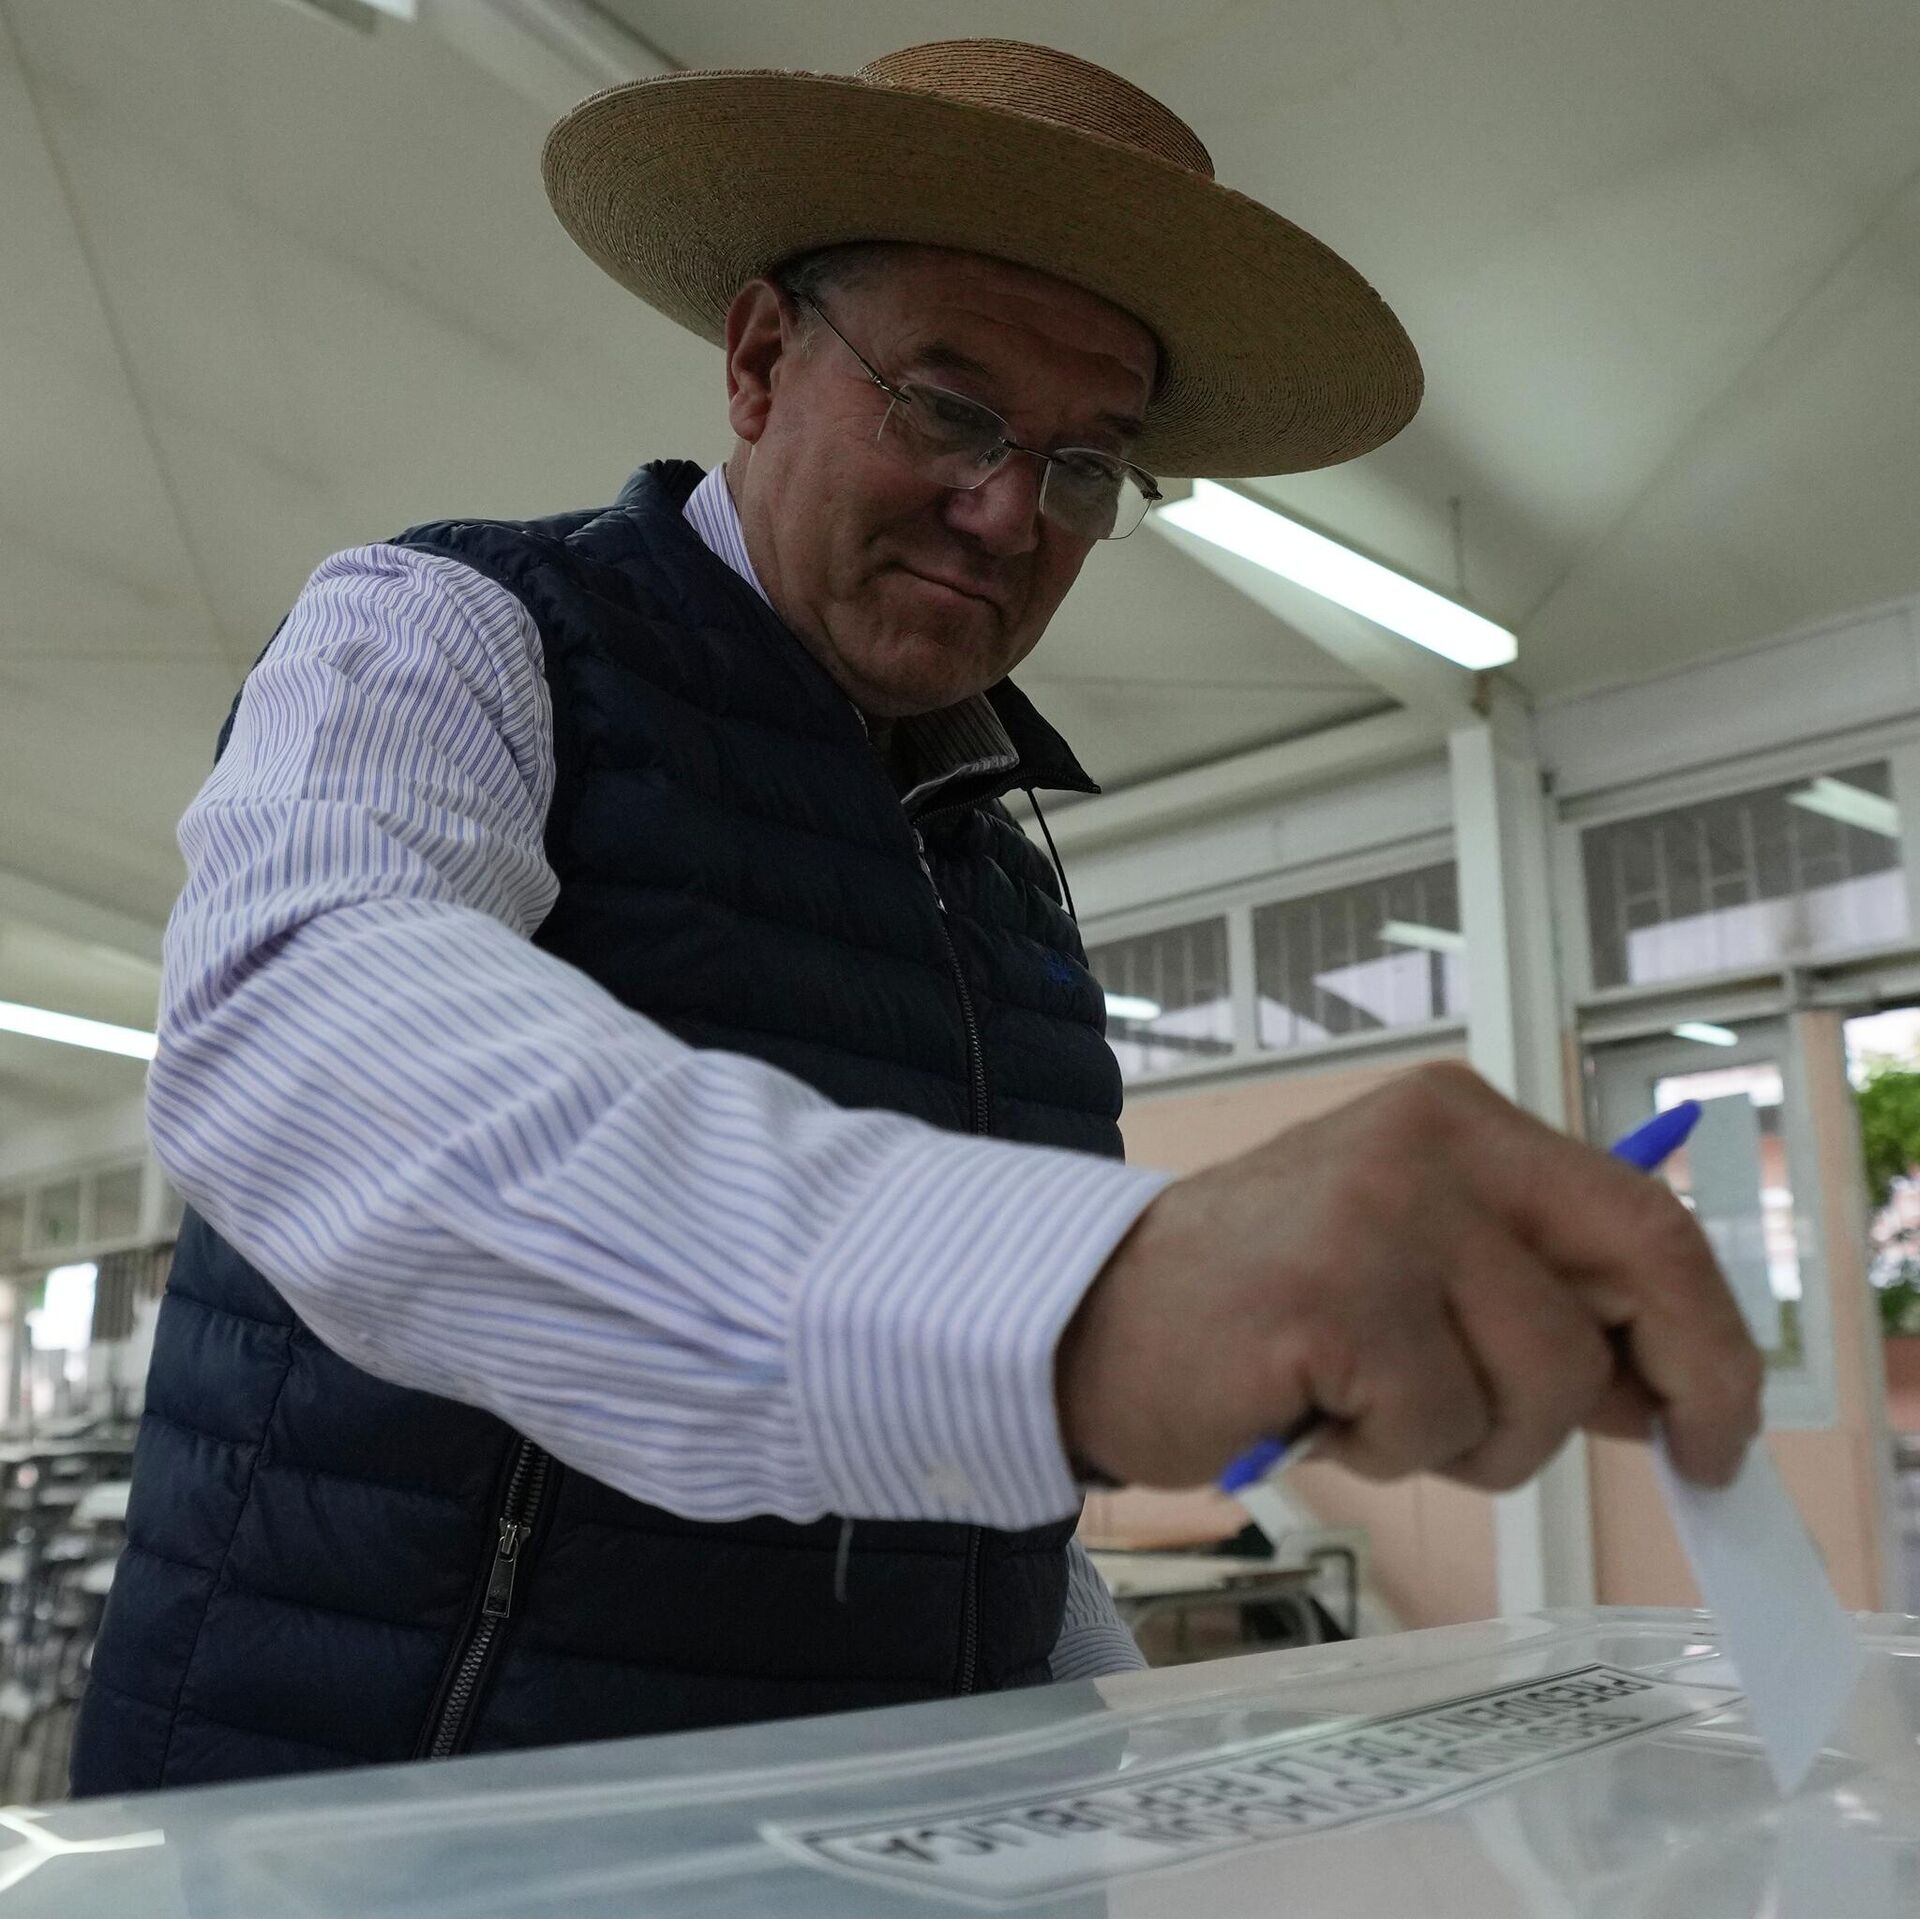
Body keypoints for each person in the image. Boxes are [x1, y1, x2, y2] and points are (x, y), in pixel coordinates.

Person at [72, 39, 1760, 1795]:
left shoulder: (1003, 884)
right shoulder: (454, 630)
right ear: (756, 360)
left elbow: (979, 1519)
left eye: (1088, 463)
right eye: (951, 410)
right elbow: (312, 1050)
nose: (1010, 510)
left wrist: (1110, 1773)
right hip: (391, 1852)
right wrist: (1100, 1290)